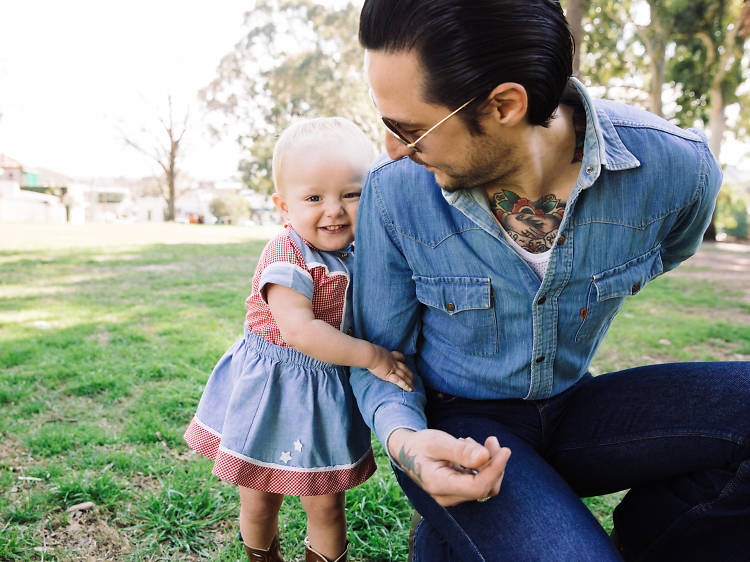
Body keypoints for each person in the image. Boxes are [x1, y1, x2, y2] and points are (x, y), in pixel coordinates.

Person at [349, 1, 750, 560]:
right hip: (460, 429)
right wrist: (408, 444)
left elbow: (671, 250)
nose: (392, 147)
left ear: (505, 105)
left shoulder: (679, 170)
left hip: (578, 410)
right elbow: (378, 354)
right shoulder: (393, 193)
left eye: (408, 129)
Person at [184, 117, 413, 562]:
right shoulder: (287, 254)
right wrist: (372, 357)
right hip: (273, 386)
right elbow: (301, 332)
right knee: (259, 497)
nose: (335, 210)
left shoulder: (362, 246)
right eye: (314, 198)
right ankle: (261, 556)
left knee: (326, 503)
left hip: (324, 392)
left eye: (351, 193)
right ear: (283, 207)